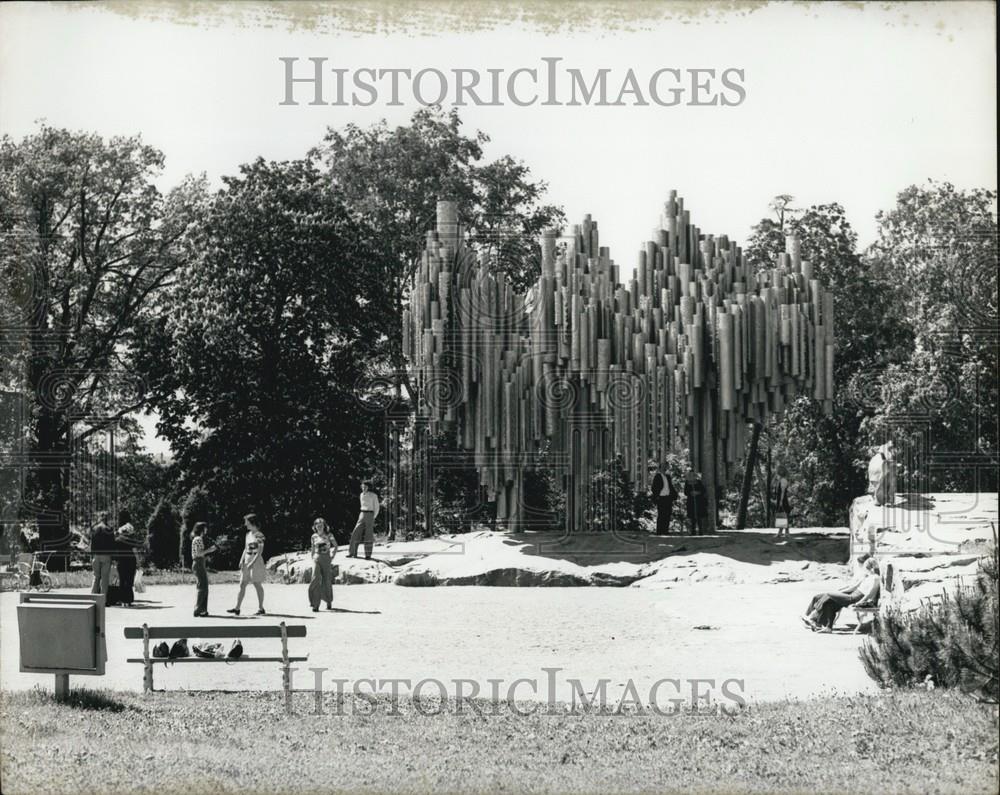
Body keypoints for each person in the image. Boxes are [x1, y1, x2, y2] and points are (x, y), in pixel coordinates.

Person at [801, 556, 880, 632]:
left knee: (829, 594)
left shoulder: (875, 578)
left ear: (870, 567)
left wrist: (859, 603)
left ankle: (812, 616)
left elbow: (869, 594)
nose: (866, 569)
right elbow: (854, 587)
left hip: (854, 598)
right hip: (852, 595)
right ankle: (828, 627)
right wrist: (840, 592)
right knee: (829, 603)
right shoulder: (868, 576)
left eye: (867, 567)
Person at [228, 514, 266, 616]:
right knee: (242, 584)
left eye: (247, 522)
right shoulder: (248, 534)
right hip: (247, 559)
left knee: (257, 583)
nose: (245, 524)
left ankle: (261, 608)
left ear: (252, 522)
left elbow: (260, 551)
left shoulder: (259, 535)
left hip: (256, 560)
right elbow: (246, 548)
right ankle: (237, 608)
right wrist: (242, 560)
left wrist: (252, 563)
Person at [113, 509, 145, 606]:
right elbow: (135, 551)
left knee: (122, 580)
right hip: (130, 561)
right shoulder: (131, 540)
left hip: (121, 562)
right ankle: (128, 600)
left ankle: (123, 601)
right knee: (129, 580)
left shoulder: (117, 540)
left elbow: (114, 552)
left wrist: (114, 561)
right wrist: (138, 563)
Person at [308, 518, 335, 612]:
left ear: (324, 526)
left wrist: (332, 556)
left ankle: (328, 601)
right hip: (316, 559)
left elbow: (335, 546)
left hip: (326, 558)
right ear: (315, 526)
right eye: (317, 525)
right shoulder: (313, 536)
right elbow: (312, 548)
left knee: (327, 580)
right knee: (315, 579)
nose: (319, 526)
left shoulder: (329, 535)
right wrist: (312, 558)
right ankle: (315, 604)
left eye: (321, 525)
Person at [191, 522, 217, 617]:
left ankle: (202, 610)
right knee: (202, 587)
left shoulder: (197, 538)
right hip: (198, 563)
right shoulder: (198, 539)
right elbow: (198, 553)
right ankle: (198, 609)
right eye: (205, 528)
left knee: (203, 586)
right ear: (202, 529)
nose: (206, 530)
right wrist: (210, 550)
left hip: (199, 563)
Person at [348, 481, 380, 559]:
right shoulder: (361, 495)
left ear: (368, 487)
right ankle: (352, 552)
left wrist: (373, 517)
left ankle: (368, 555)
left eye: (365, 487)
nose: (363, 488)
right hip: (362, 514)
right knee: (356, 532)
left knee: (368, 535)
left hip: (370, 514)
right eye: (362, 487)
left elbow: (377, 507)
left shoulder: (373, 495)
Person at [89, 511, 116, 597]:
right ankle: (103, 599)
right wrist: (114, 557)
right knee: (104, 578)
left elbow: (92, 544)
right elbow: (112, 545)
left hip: (96, 555)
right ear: (107, 519)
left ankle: (93, 597)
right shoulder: (109, 529)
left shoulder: (94, 528)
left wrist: (91, 555)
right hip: (106, 556)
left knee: (96, 577)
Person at [650, 463, 678, 536]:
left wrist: (674, 495)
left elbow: (670, 486)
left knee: (668, 514)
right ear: (659, 468)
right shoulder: (657, 476)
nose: (664, 469)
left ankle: (665, 530)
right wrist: (657, 495)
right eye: (662, 467)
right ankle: (659, 531)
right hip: (661, 497)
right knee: (661, 514)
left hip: (668, 497)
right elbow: (654, 487)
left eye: (665, 467)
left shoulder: (668, 476)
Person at [867, 441, 897, 506]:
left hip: (885, 467)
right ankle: (880, 499)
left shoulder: (888, 452)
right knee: (880, 483)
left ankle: (886, 500)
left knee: (887, 483)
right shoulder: (883, 453)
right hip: (881, 468)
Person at [684, 471, 707, 536]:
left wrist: (698, 492)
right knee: (692, 516)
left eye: (693, 475)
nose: (691, 476)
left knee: (699, 516)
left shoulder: (699, 482)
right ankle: (693, 531)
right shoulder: (687, 482)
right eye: (690, 475)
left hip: (699, 501)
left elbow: (703, 490)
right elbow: (685, 492)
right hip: (691, 501)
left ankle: (700, 531)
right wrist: (691, 493)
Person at [773, 470, 792, 539]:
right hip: (780, 500)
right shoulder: (780, 481)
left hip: (783, 500)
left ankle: (787, 532)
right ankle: (780, 532)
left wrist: (781, 500)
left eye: (777, 474)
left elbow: (783, 491)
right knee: (781, 516)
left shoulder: (783, 480)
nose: (776, 476)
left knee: (784, 516)